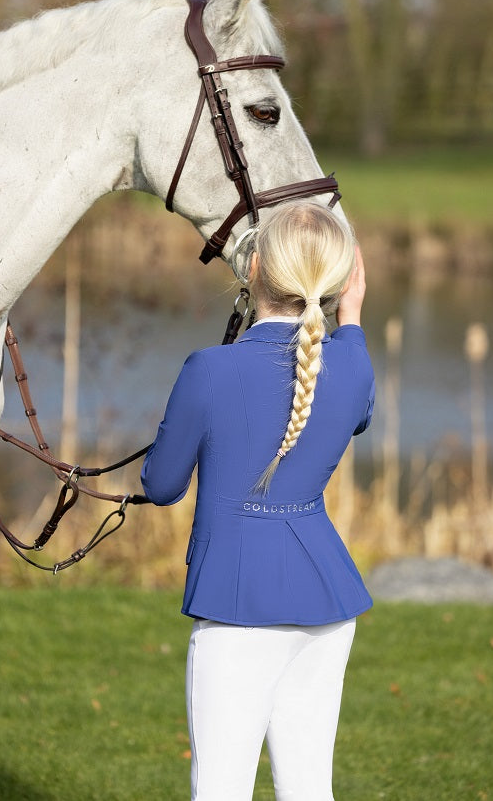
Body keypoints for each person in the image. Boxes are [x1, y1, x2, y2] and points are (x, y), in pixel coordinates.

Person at [141, 200, 375, 801]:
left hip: (238, 604)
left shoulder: (209, 369)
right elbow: (356, 397)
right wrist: (351, 313)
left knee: (220, 790)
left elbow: (162, 487)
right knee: (308, 789)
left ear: (253, 270)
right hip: (327, 598)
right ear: (339, 278)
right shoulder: (351, 364)